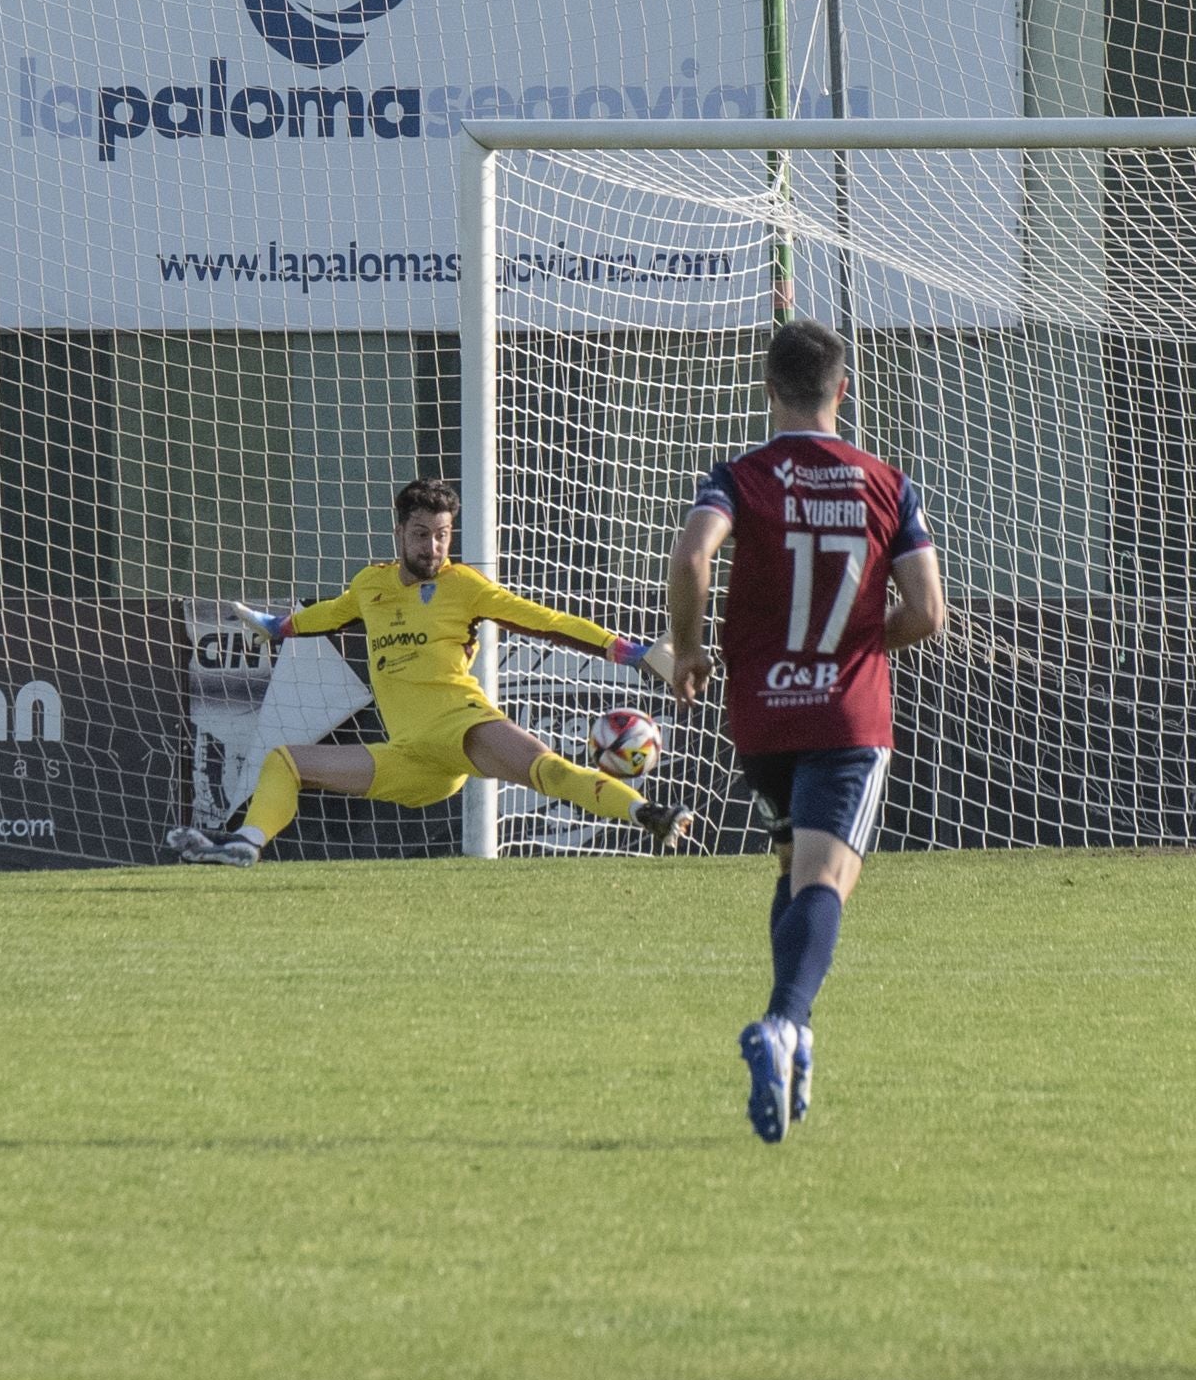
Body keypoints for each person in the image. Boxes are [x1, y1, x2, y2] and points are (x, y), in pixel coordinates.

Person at [665, 317, 947, 1144]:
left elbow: (690, 559)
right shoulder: (886, 483)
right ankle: (785, 1024)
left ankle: (800, 1038)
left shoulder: (742, 475)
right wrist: (856, 642)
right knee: (826, 880)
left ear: (767, 389)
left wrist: (688, 649)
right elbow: (928, 612)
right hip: (846, 717)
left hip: (760, 716)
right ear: (843, 389)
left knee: (794, 872)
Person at [168, 476, 694, 868]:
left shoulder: (465, 585)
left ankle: (647, 813)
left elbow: (546, 622)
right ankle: (245, 845)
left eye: (443, 534)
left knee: (547, 771)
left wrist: (628, 651)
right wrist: (275, 627)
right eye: (422, 534)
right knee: (284, 761)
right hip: (412, 758)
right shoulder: (371, 586)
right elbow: (326, 614)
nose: (434, 547)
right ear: (399, 531)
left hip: (458, 725)